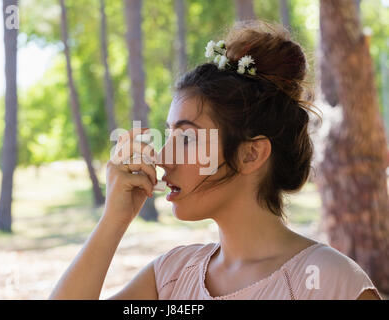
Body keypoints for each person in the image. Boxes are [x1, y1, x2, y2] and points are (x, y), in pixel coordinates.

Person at [49, 20, 382, 300]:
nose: (164, 158)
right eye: (170, 136)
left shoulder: (330, 283)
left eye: (188, 138)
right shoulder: (170, 278)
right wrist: (113, 222)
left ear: (251, 153)